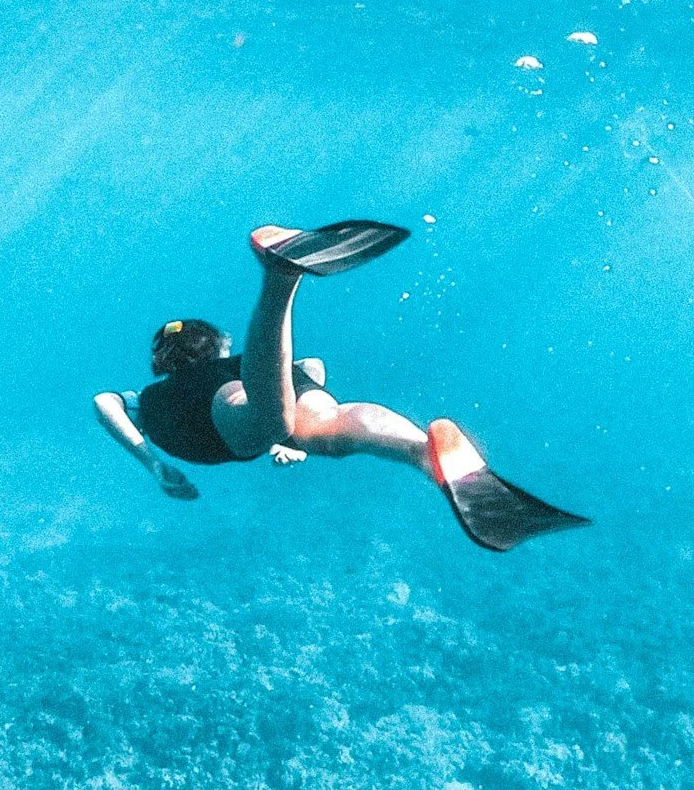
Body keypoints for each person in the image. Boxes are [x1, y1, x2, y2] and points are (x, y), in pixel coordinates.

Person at [91, 223, 588, 551]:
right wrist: (289, 433)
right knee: (329, 426)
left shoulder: (156, 395)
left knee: (269, 420)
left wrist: (153, 463)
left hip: (212, 415)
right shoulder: (234, 363)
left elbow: (104, 401)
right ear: (218, 346)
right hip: (261, 381)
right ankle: (423, 452)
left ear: (165, 360)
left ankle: (281, 277)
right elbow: (312, 365)